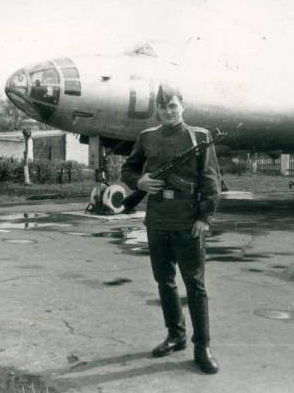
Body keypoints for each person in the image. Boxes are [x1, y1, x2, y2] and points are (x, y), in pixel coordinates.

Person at [121, 83, 222, 374]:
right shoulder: (147, 137)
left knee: (195, 284)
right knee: (164, 281)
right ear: (158, 110)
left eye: (173, 106)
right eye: (163, 107)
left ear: (183, 106)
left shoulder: (199, 137)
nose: (168, 111)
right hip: (157, 220)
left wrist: (205, 218)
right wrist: (138, 182)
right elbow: (128, 169)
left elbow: (211, 181)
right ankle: (175, 335)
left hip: (188, 221)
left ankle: (202, 346)